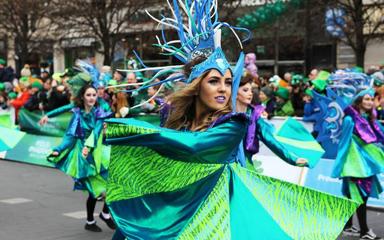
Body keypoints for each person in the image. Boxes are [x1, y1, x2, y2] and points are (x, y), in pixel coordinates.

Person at [103, 1, 358, 239]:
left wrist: (127, 131)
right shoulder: (173, 118)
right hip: (177, 204)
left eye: (228, 82)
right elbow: (162, 162)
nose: (224, 89)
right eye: (214, 81)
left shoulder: (234, 124)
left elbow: (193, 146)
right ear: (196, 86)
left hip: (215, 210)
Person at [48, 84, 115, 232]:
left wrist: (88, 147)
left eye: (94, 95)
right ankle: (90, 221)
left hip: (98, 152)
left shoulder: (99, 112)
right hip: (85, 157)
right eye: (88, 95)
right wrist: (58, 150)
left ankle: (104, 213)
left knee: (112, 183)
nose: (91, 98)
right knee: (94, 190)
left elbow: (96, 132)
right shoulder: (77, 114)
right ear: (83, 97)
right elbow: (70, 136)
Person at [333, 91, 384, 239]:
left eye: (371, 99)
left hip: (365, 164)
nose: (369, 102)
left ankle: (348, 227)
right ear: (359, 100)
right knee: (361, 197)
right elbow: (345, 144)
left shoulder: (369, 119)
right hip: (355, 166)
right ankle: (364, 232)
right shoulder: (350, 119)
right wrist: (347, 168)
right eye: (366, 99)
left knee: (353, 197)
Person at [236, 75, 310, 170]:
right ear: (235, 93)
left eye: (251, 90)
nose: (250, 94)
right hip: (222, 166)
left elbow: (271, 140)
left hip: (245, 166)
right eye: (245, 90)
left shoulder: (255, 116)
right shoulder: (223, 115)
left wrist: (293, 158)